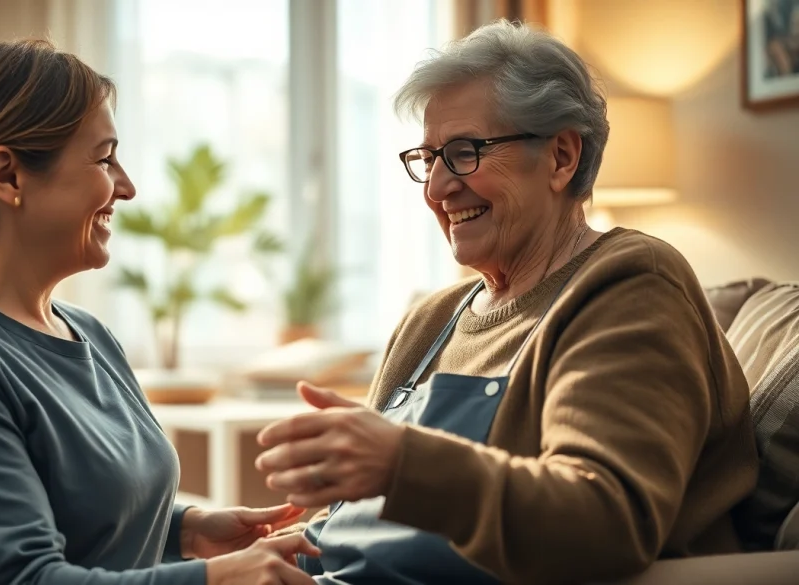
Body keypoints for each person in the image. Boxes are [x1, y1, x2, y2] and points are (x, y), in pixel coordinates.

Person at [253, 19, 759, 585]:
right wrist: (267, 554)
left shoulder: (629, 286)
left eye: (465, 152)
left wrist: (401, 463)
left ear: (562, 157)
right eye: (429, 157)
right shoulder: (432, 321)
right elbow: (350, 527)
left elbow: (605, 522)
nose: (437, 187)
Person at [0, 39, 319, 585]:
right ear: (8, 176)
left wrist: (182, 529)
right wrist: (217, 578)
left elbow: (64, 506)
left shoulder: (87, 333)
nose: (127, 187)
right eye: (104, 158)